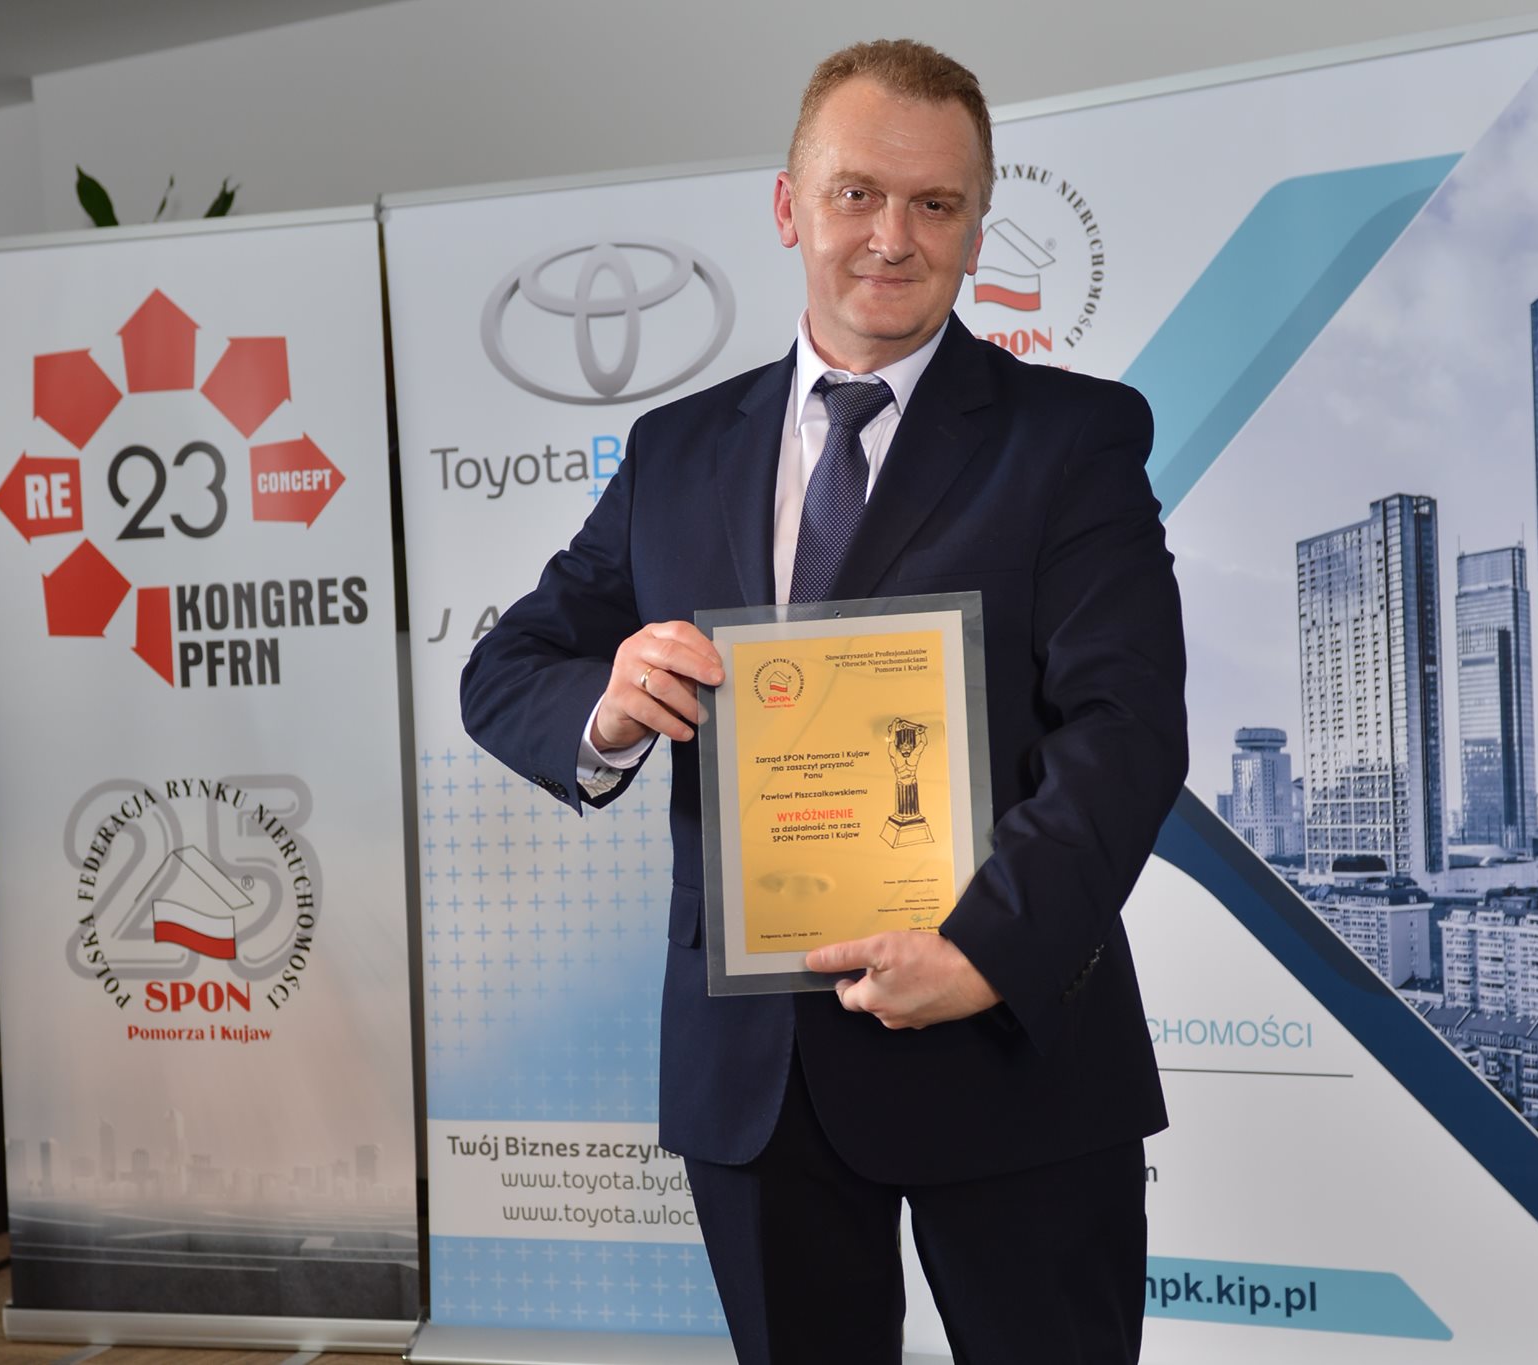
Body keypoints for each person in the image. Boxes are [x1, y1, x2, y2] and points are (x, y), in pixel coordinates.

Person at [462, 38, 1186, 1364]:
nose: (892, 237)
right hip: (758, 1077)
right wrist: (609, 709)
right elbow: (506, 670)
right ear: (789, 206)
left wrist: (989, 950)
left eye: (935, 203)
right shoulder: (678, 451)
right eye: (857, 193)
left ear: (977, 227)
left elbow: (1125, 729)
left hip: (1011, 1050)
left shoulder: (1073, 439)